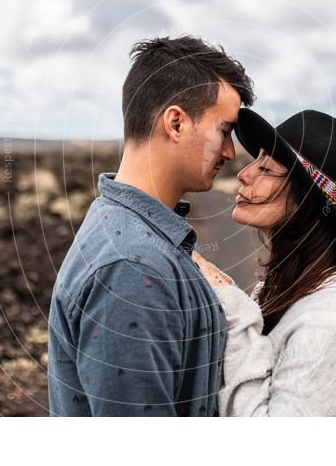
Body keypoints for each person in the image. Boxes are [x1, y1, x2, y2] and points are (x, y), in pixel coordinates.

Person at [48, 36, 255, 416]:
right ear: (175, 122)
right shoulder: (133, 266)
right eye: (224, 131)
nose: (230, 152)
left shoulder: (132, 236)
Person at [192, 108, 336, 416]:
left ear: (307, 198)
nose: (244, 173)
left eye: (266, 169)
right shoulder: (289, 284)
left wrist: (232, 307)